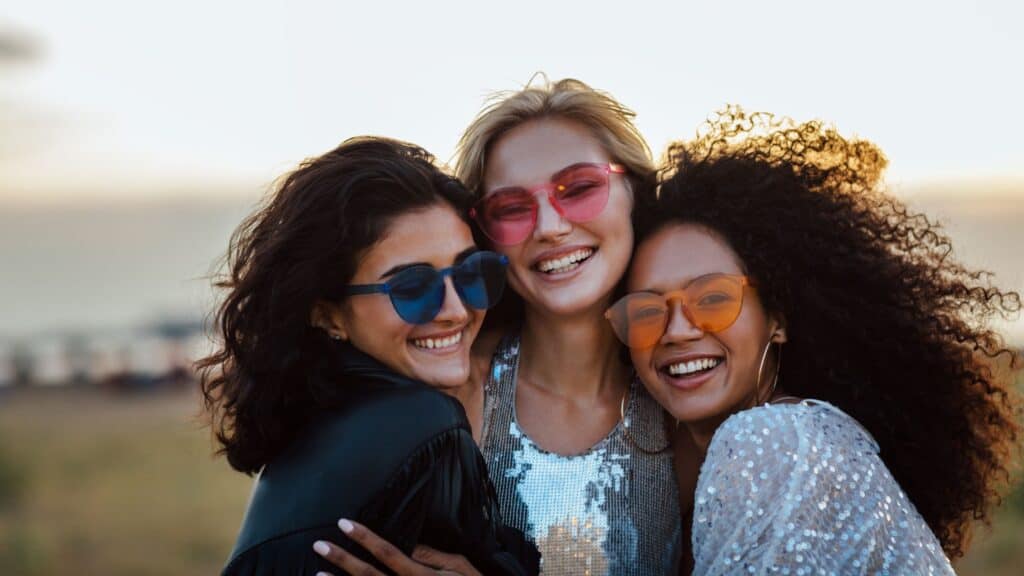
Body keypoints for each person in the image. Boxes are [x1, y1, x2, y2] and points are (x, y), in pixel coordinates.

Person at [606, 108, 1021, 574]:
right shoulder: (809, 436)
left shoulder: (770, 442)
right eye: (645, 310)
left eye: (713, 297)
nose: (677, 329)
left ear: (778, 318)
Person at [325, 78, 685, 575]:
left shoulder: (683, 393)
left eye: (579, 188)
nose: (550, 227)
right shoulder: (446, 402)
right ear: (485, 238)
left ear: (635, 194)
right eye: (512, 209)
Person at [198, 137, 539, 575]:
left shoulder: (314, 424)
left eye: (473, 274)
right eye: (412, 288)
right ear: (327, 314)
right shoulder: (425, 425)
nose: (455, 309)